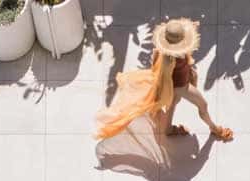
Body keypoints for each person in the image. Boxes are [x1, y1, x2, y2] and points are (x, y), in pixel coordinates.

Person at [95, 18, 234, 143]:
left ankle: (170, 129)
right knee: (202, 105)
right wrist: (165, 95)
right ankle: (214, 128)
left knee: (172, 110)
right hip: (179, 88)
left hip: (177, 87)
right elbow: (164, 79)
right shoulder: (169, 60)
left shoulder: (164, 50)